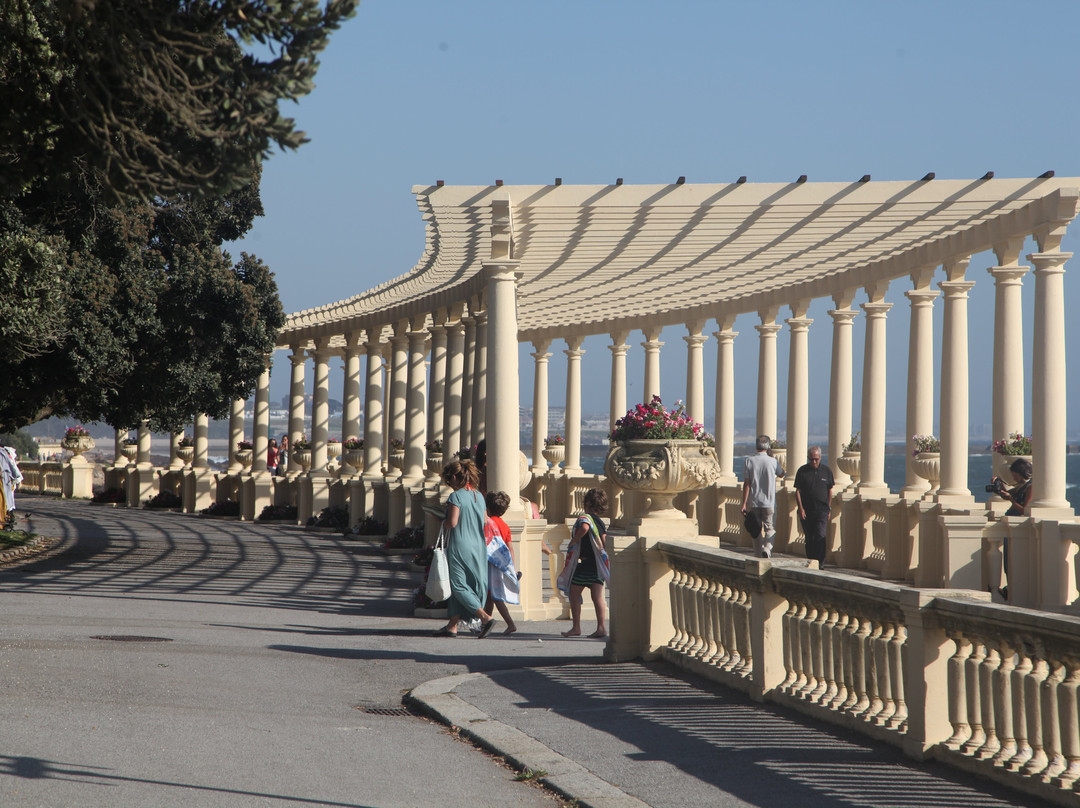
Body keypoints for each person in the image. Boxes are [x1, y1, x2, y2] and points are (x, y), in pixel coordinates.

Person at [434, 459, 497, 638]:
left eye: (449, 480)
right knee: (467, 583)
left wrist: (439, 519)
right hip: (478, 546)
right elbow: (484, 521)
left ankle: (485, 618)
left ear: (454, 477)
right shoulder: (479, 496)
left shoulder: (456, 496)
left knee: (458, 585)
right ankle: (452, 626)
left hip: (460, 545)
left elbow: (452, 523)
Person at [558, 488, 610, 639]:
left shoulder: (585, 519)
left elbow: (585, 528)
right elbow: (604, 540)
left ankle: (576, 627)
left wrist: (574, 540)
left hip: (587, 563)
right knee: (597, 596)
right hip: (598, 565)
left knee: (574, 593)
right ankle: (601, 627)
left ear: (587, 503)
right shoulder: (599, 522)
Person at [991, 457, 1033, 600]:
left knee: (1013, 560)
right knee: (1008, 561)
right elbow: (1009, 493)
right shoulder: (1022, 485)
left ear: (1022, 472)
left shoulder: (1030, 486)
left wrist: (1011, 499)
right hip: (1011, 527)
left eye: (1015, 474)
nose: (1014, 476)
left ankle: (1013, 589)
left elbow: (1024, 510)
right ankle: (1010, 588)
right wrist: (1000, 486)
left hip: (1017, 527)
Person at [741, 435, 785, 558]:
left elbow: (747, 484)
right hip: (769, 502)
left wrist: (744, 503)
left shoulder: (749, 460)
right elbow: (781, 474)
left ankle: (758, 554)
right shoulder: (773, 461)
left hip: (754, 501)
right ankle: (767, 548)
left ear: (756, 446)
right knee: (770, 528)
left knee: (755, 530)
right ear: (768, 446)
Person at [483, 490, 520, 635]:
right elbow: (510, 548)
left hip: (491, 565)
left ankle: (510, 623)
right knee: (491, 596)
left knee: (494, 596)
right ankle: (485, 622)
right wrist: (512, 568)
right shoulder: (505, 526)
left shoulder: (489, 523)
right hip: (502, 565)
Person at [793, 446, 834, 567]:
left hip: (822, 510)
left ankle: (820, 562)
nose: (814, 462)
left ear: (820, 458)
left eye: (816, 459)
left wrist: (829, 508)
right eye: (811, 459)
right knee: (809, 537)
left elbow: (830, 490)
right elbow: (797, 491)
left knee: (820, 535)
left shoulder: (826, 471)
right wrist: (800, 509)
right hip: (807, 511)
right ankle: (811, 560)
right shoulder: (802, 471)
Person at [0, 445, 23, 529]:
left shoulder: (3, 453)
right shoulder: (3, 454)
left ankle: (4, 520)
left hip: (4, 482)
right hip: (4, 481)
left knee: (4, 501)